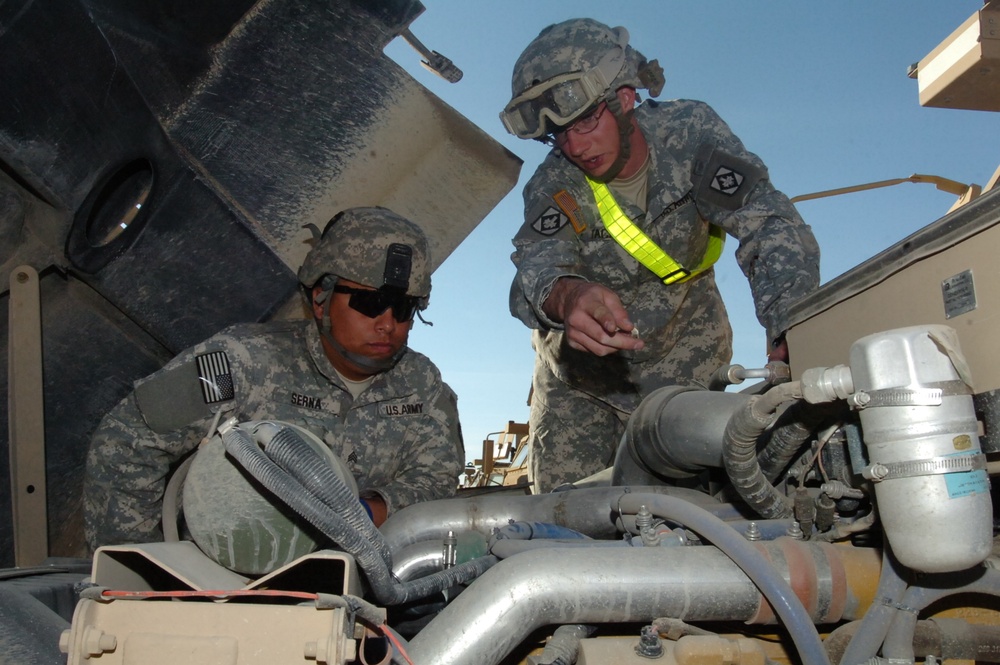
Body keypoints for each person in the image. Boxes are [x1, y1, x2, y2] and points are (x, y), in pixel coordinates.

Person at [501, 18, 821, 493]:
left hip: (686, 369)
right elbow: (538, 267)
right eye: (558, 135)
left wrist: (794, 327)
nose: (574, 145)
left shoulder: (689, 134)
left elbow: (766, 223)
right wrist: (567, 296)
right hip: (579, 386)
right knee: (568, 531)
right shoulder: (554, 185)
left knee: (689, 527)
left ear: (624, 98)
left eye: (586, 119)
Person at [84, 206, 464, 551]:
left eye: (404, 308)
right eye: (370, 303)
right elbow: (128, 441)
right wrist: (143, 570)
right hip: (224, 580)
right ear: (320, 298)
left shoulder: (422, 385)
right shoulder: (242, 361)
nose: (388, 323)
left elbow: (437, 478)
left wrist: (372, 510)